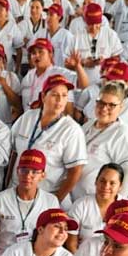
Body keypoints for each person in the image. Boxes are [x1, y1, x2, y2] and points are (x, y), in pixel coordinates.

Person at [9, 75, 85, 206]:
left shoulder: (71, 129)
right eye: (55, 95)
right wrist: (7, 183)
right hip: (17, 190)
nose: (60, 100)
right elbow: (14, 153)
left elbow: (75, 171)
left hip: (47, 194)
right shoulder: (27, 117)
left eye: (64, 95)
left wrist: (55, 201)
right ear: (43, 96)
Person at [0, 150, 61, 256]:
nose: (28, 176)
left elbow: (52, 238)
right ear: (17, 172)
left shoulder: (50, 201)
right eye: (24, 170)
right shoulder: (1, 198)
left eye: (34, 172)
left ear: (43, 175)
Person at [76, 83, 128, 201]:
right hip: (75, 199)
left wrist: (114, 205)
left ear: (120, 107)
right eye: (101, 102)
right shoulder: (87, 125)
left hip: (98, 201)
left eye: (111, 105)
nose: (104, 108)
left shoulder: (124, 133)